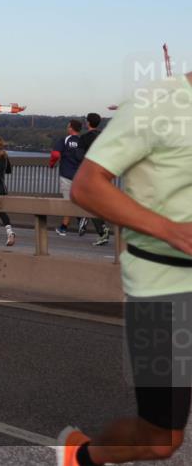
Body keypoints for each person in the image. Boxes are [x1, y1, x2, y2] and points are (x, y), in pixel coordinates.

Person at [58, 70, 192, 466]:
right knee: (160, 440)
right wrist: (171, 230)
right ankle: (83, 456)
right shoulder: (157, 103)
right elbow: (87, 186)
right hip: (163, 289)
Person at [77, 112, 112, 246]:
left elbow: (79, 157)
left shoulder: (84, 138)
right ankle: (95, 224)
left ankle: (102, 231)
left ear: (88, 123)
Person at [51, 119, 84, 236]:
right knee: (77, 199)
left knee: (67, 202)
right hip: (80, 176)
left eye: (68, 126)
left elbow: (55, 154)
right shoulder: (82, 141)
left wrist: (52, 164)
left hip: (66, 174)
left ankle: (63, 228)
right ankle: (81, 219)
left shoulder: (65, 140)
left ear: (71, 128)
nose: (67, 128)